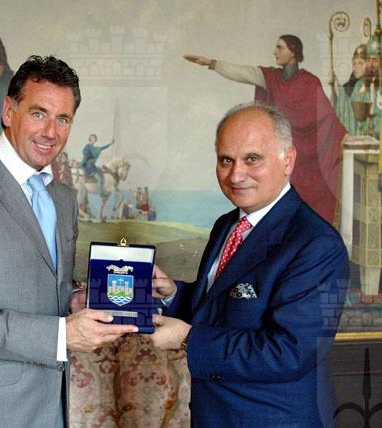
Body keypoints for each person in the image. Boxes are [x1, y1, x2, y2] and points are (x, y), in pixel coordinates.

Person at [0, 55, 137, 428]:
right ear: (8, 111)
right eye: (39, 114)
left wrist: (74, 300)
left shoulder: (63, 198)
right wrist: (61, 335)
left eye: (63, 119)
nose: (51, 132)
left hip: (50, 403)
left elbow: (44, 286)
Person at [150, 103, 349, 427]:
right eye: (226, 160)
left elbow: (289, 352)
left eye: (252, 159)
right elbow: (221, 309)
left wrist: (189, 339)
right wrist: (174, 294)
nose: (236, 175)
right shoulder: (227, 225)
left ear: (288, 160)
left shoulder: (317, 244)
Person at [184, 34, 347, 224]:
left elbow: (327, 118)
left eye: (280, 48)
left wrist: (344, 136)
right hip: (277, 157)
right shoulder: (271, 78)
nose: (275, 52)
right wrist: (212, 63)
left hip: (308, 161)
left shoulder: (310, 82)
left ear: (293, 52)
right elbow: (244, 73)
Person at [330, 44, 370, 136]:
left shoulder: (370, 84)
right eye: (354, 63)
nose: (356, 67)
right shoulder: (351, 86)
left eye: (360, 63)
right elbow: (344, 104)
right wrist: (334, 86)